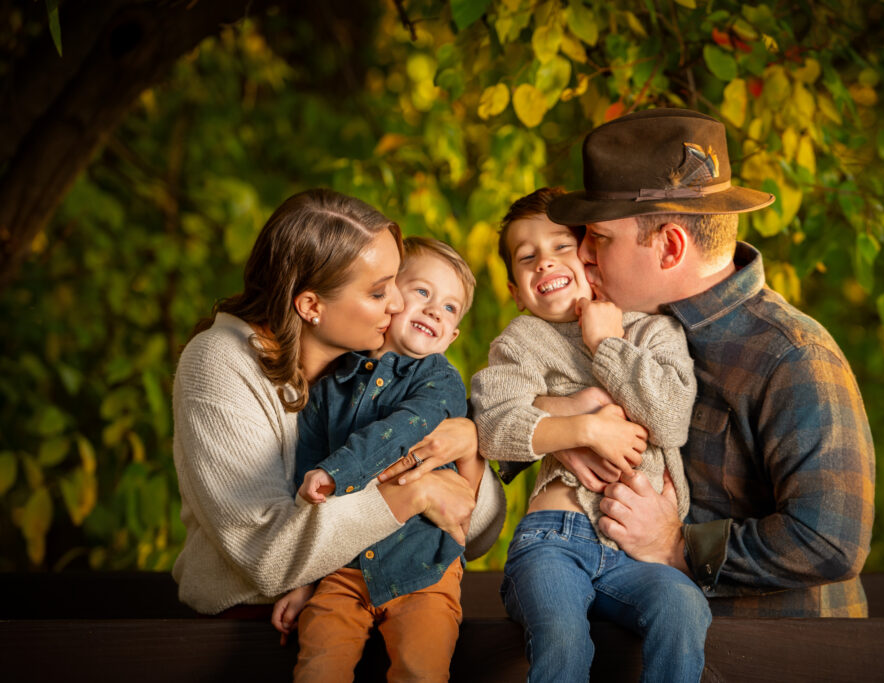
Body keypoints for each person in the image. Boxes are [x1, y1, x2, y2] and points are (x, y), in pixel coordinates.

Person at [538, 108, 875, 618]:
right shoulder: (611, 325)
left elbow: (830, 539)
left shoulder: (792, 354)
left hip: (780, 660)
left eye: (600, 238)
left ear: (670, 246)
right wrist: (562, 425)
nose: (580, 254)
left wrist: (678, 546)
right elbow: (507, 405)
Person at [171, 189, 505, 621]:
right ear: (311, 305)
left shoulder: (366, 363)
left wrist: (466, 448)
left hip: (374, 602)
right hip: (251, 627)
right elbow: (266, 558)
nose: (401, 304)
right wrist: (416, 492)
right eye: (380, 292)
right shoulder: (219, 362)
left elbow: (474, 531)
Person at [471, 188, 710, 682]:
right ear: (515, 290)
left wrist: (607, 343)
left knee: (684, 606)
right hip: (552, 540)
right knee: (562, 637)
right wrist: (584, 427)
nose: (544, 263)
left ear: (590, 258)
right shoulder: (522, 340)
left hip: (636, 554)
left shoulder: (652, 331)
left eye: (561, 246)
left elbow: (669, 421)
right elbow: (493, 424)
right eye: (526, 257)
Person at [272, 237, 484, 681]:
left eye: (449, 308)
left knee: (421, 672)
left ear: (453, 335)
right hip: (342, 570)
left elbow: (406, 429)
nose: (433, 310)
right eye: (422, 292)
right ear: (388, 297)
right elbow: (304, 479)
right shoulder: (332, 384)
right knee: (317, 670)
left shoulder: (439, 381)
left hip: (422, 567)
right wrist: (302, 579)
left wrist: (337, 473)